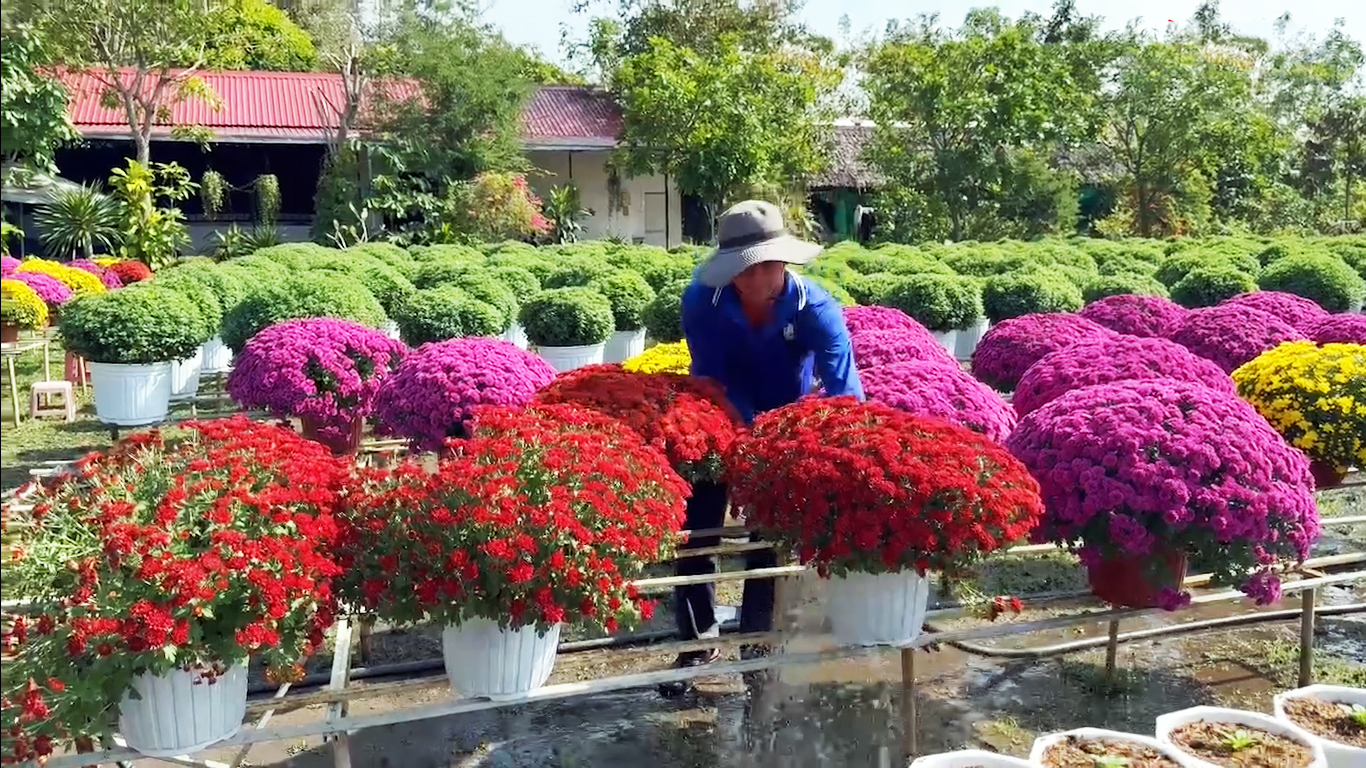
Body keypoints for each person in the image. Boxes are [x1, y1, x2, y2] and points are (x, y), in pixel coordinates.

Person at [660, 200, 864, 697]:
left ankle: (758, 647)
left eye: (774, 260)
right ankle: (697, 643)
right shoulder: (702, 302)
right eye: (753, 264)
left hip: (787, 422)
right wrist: (742, 437)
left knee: (769, 536)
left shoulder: (815, 309)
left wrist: (836, 448)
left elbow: (843, 389)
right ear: (733, 272)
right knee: (698, 530)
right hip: (715, 414)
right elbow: (714, 376)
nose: (766, 273)